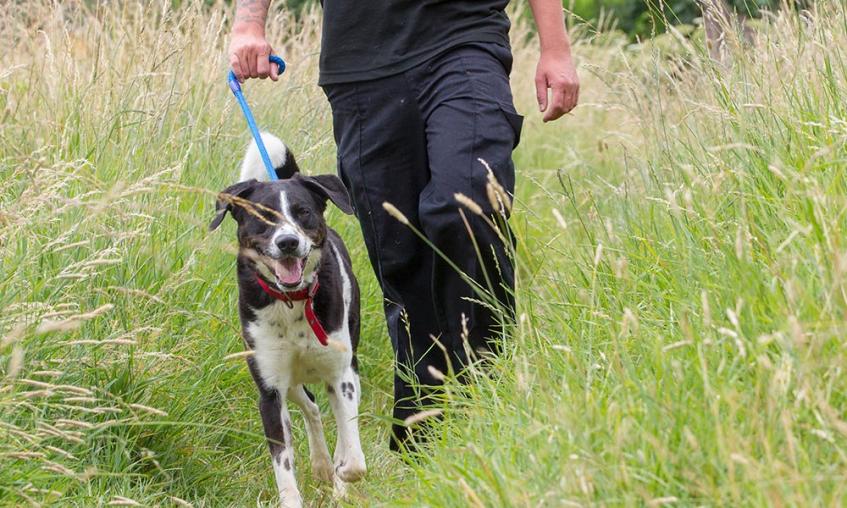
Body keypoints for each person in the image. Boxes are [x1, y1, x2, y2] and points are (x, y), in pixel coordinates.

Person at [229, 0, 579, 451]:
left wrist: (556, 46)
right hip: (360, 66)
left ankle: (490, 391)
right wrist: (248, 24)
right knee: (399, 249)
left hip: (462, 40)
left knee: (467, 204)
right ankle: (426, 424)